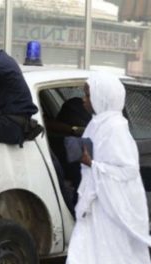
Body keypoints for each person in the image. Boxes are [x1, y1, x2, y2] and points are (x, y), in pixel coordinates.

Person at [66, 72, 151, 264]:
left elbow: (126, 171)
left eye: (88, 94)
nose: (84, 99)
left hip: (111, 212)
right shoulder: (97, 124)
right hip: (96, 207)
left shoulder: (115, 128)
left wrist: (91, 164)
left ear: (102, 97)